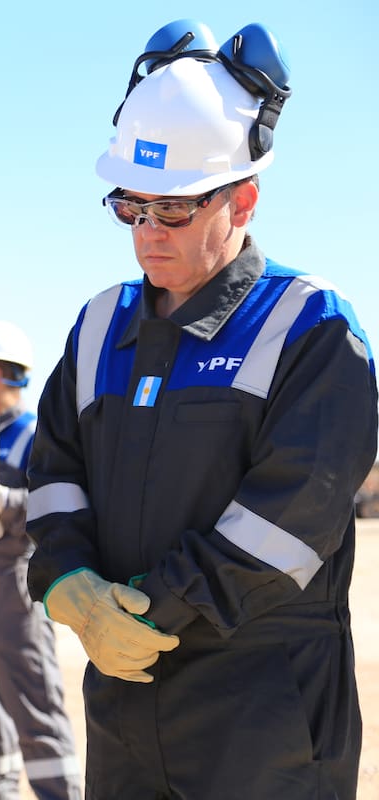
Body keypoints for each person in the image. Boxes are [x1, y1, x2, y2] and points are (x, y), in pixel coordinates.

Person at [26, 20, 378, 799]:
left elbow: (290, 520)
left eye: (174, 210)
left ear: (242, 200)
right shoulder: (99, 327)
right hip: (125, 707)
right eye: (131, 207)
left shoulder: (311, 330)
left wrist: (142, 611)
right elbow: (52, 475)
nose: (148, 235)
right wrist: (69, 581)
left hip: (263, 719)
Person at [0, 321, 81, 800]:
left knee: (34, 706)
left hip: (13, 590)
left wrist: (5, 504)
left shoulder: (32, 436)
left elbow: (58, 505)